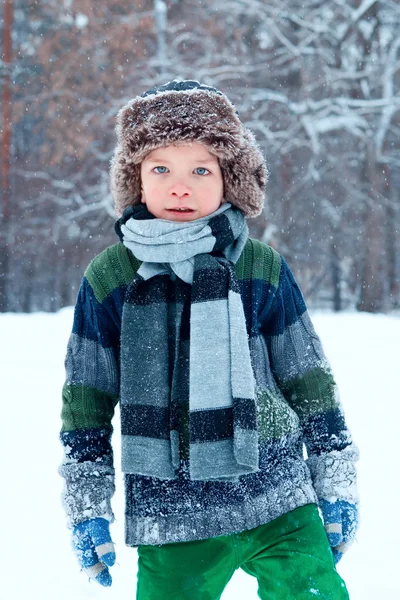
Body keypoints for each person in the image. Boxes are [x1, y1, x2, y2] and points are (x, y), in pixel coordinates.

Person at [59, 80, 359, 600]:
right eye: (161, 169)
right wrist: (88, 503)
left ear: (229, 180)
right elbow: (86, 398)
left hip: (279, 496)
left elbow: (307, 376)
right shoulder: (110, 277)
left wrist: (333, 477)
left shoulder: (259, 265)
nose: (181, 186)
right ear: (136, 179)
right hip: (174, 510)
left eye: (201, 169)